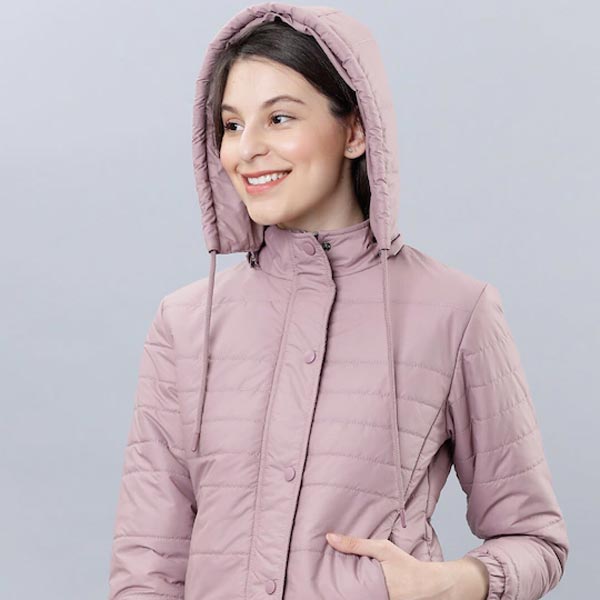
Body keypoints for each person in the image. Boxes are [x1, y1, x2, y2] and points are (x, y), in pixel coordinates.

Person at [107, 4, 569, 600]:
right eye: (232, 125)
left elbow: (535, 540)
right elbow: (147, 565)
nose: (246, 150)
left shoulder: (457, 312)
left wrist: (449, 584)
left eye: (279, 118)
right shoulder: (185, 323)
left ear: (355, 131)